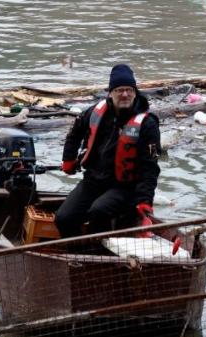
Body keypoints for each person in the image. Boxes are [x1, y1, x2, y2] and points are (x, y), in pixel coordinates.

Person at [56, 63, 161, 237]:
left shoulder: (147, 124)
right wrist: (68, 160)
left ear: (135, 92)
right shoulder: (96, 112)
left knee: (99, 211)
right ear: (110, 93)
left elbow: (150, 167)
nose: (125, 94)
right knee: (63, 218)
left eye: (129, 90)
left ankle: (100, 254)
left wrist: (145, 201)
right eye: (120, 90)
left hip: (125, 188)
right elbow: (74, 133)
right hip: (93, 180)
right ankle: (78, 253)